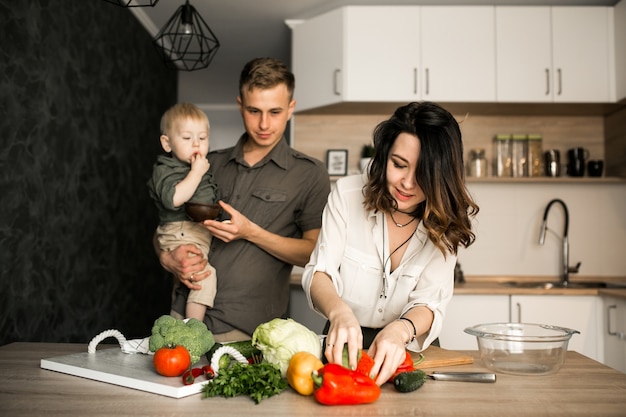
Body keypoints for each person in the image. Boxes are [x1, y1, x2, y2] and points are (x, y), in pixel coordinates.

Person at [301, 101, 479, 386]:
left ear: (442, 173)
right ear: (384, 157)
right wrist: (339, 312)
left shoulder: (447, 222)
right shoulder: (346, 195)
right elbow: (319, 271)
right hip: (344, 339)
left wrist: (399, 331)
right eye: (398, 164)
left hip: (406, 345)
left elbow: (431, 302)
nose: (407, 183)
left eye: (423, 173)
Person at [157, 57, 331, 343]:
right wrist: (167, 257)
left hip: (245, 329)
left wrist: (251, 232)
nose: (264, 124)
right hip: (182, 315)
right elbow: (168, 225)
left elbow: (314, 254)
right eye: (254, 111)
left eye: (275, 111)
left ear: (291, 109)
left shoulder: (309, 173)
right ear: (240, 105)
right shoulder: (206, 162)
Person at [148, 103, 219, 322]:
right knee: (205, 277)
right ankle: (192, 329)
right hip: (180, 231)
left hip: (194, 232)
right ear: (167, 143)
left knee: (189, 279)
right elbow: (173, 199)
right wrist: (197, 173)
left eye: (203, 138)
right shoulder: (166, 169)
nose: (196, 143)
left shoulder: (198, 167)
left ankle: (181, 326)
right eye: (187, 138)